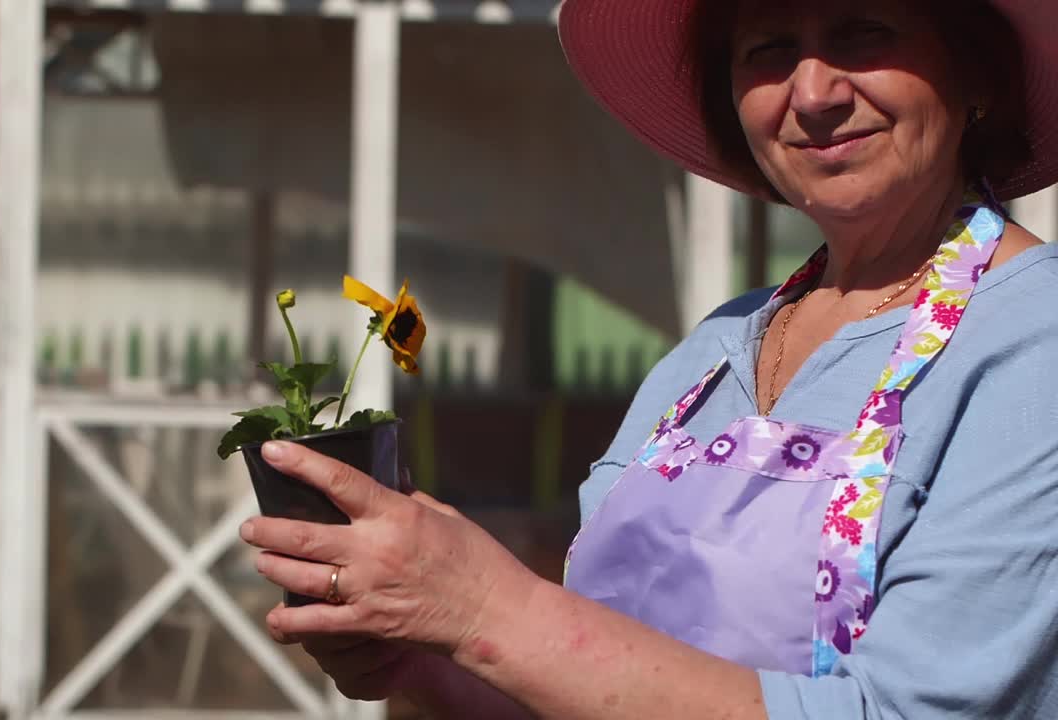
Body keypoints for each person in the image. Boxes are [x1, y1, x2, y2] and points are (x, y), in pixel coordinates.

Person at [238, 0, 1058, 716]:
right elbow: (595, 681)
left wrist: (488, 607)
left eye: (865, 31)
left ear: (977, 72)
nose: (813, 93)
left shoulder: (1032, 339)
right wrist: (426, 649)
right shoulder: (714, 351)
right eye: (767, 49)